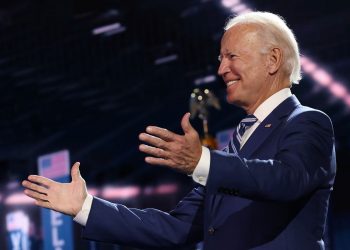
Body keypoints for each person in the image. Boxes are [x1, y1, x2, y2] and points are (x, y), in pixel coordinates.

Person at [22, 11, 336, 250]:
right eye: (220, 58)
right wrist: (85, 207)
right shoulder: (234, 150)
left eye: (231, 56)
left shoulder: (309, 122)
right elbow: (175, 228)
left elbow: (284, 179)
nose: (221, 69)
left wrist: (202, 162)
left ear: (273, 59)